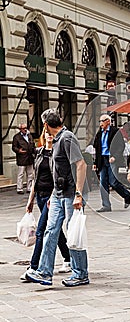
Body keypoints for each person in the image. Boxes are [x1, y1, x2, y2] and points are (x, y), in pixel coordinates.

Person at [25, 108, 89, 287]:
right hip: (58, 194)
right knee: (50, 231)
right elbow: (56, 170)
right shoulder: (55, 140)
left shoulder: (67, 138)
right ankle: (44, 272)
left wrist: (78, 194)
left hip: (70, 195)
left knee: (73, 234)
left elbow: (81, 165)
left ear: (46, 125)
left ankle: (80, 273)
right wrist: (54, 194)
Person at [20, 128, 71, 280]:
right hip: (40, 197)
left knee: (41, 231)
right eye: (46, 133)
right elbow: (36, 177)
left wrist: (54, 195)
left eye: (51, 134)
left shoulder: (58, 153)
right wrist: (30, 200)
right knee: (54, 230)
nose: (49, 136)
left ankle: (34, 267)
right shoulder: (40, 152)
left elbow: (59, 177)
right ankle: (69, 259)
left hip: (53, 197)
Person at [93, 115, 130, 212]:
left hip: (112, 160)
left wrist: (115, 156)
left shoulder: (115, 131)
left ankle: (127, 195)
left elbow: (121, 146)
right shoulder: (99, 133)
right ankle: (106, 205)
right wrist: (95, 162)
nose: (101, 123)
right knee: (103, 183)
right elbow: (96, 148)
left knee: (113, 182)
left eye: (102, 121)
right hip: (102, 159)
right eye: (99, 121)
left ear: (108, 122)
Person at [12, 123, 35, 194]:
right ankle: (19, 188)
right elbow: (14, 147)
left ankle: (29, 188)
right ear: (20, 129)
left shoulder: (29, 136)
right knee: (21, 174)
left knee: (30, 174)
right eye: (23, 128)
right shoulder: (16, 137)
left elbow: (33, 144)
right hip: (22, 158)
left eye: (26, 127)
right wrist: (19, 151)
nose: (25, 129)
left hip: (30, 157)